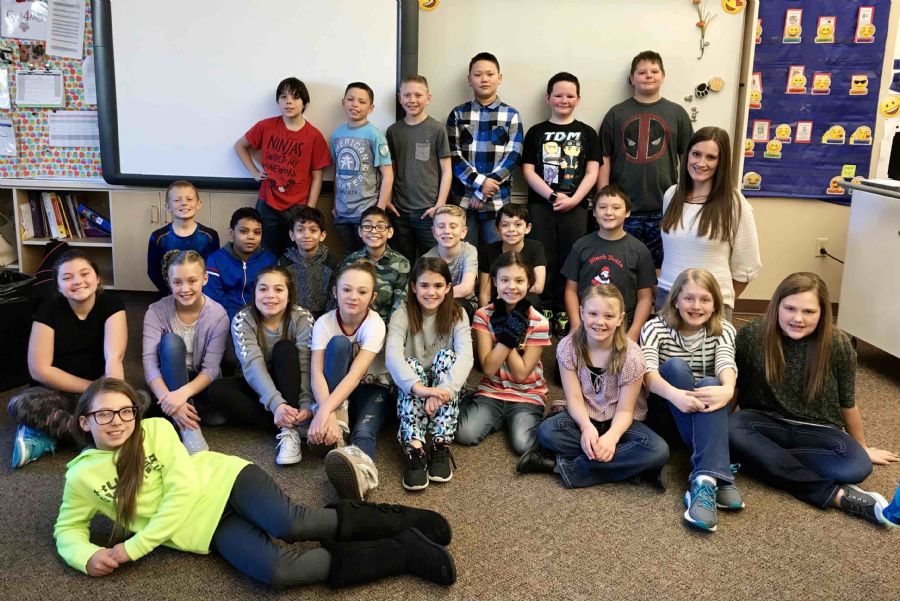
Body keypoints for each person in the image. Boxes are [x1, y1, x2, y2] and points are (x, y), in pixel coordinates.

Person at [54, 376, 456, 587]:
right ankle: (402, 552)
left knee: (291, 524)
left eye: (125, 411)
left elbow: (184, 490)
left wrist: (131, 549)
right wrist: (84, 556)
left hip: (224, 481)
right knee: (276, 572)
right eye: (104, 415)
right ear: (84, 422)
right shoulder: (81, 477)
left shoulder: (155, 430)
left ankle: (402, 519)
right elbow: (67, 529)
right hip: (206, 528)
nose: (118, 422)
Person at [729, 273, 899, 525]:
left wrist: (862, 447)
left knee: (857, 467)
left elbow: (847, 402)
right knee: (730, 428)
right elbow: (737, 387)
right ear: (776, 306)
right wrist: (718, 434)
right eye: (790, 308)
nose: (798, 318)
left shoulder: (838, 344)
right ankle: (836, 496)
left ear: (822, 313)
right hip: (763, 423)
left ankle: (761, 458)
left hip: (818, 432)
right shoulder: (752, 335)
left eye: (808, 311)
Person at [517, 285, 669, 489]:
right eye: (593, 314)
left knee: (658, 450)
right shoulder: (568, 347)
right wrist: (586, 427)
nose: (600, 322)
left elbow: (625, 411)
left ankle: (559, 466)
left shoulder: (632, 356)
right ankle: (632, 470)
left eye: (609, 316)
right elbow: (574, 398)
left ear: (620, 319)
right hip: (584, 416)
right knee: (547, 432)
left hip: (621, 423)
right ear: (581, 312)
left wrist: (612, 437)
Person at [640, 268, 741, 532]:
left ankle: (704, 481)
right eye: (689, 298)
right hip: (668, 410)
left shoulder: (725, 329)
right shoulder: (654, 327)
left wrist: (728, 389)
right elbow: (648, 375)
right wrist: (676, 395)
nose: (696, 306)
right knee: (674, 367)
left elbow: (726, 363)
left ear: (715, 304)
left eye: (705, 299)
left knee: (711, 383)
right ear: (675, 300)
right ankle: (720, 470)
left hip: (708, 410)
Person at [9, 250, 126, 468]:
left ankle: (52, 433)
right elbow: (40, 369)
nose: (77, 281)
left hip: (98, 392)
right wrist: (92, 388)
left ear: (97, 278)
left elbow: (114, 356)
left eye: (84, 274)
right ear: (59, 287)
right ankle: (99, 437)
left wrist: (113, 399)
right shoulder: (47, 310)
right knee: (21, 404)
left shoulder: (112, 305)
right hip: (55, 391)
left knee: (141, 400)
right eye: (67, 277)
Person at [205, 266, 315, 466]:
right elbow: (252, 366)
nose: (270, 295)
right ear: (254, 293)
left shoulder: (302, 318)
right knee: (214, 390)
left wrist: (306, 402)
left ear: (289, 294)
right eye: (263, 289)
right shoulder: (242, 319)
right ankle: (288, 421)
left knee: (284, 349)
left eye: (278, 289)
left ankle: (288, 430)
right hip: (257, 385)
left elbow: (306, 365)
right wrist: (277, 405)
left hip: (290, 382)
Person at [597, 50, 693, 268]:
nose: (648, 75)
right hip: (624, 209)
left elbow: (688, 157)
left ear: (663, 76)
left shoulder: (677, 113)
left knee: (661, 268)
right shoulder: (616, 113)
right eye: (641, 72)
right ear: (631, 79)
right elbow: (604, 157)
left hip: (665, 207)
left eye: (654, 71)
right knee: (622, 266)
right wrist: (604, 197)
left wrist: (686, 196)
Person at [386, 257, 474, 490]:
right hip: (414, 386)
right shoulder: (402, 313)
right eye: (424, 285)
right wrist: (422, 390)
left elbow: (466, 357)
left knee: (448, 357)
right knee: (410, 364)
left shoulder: (458, 313)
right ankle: (414, 447)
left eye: (438, 286)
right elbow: (392, 357)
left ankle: (439, 443)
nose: (431, 292)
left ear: (448, 288)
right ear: (414, 287)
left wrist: (443, 390)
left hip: (444, 385)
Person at [308, 260, 392, 501]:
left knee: (363, 432)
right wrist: (327, 414)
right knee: (339, 344)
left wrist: (322, 412)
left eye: (362, 292)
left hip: (373, 388)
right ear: (335, 291)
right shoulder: (324, 323)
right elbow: (316, 374)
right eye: (346, 289)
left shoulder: (375, 324)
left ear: (372, 297)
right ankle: (336, 429)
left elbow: (356, 375)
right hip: (337, 393)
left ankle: (361, 477)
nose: (353, 297)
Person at [658, 126, 761, 320]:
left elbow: (747, 266)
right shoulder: (671, 195)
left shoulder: (734, 203)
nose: (701, 163)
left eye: (711, 157)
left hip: (710, 305)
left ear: (721, 162)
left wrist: (717, 300)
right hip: (668, 298)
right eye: (696, 154)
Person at [455, 252, 551, 458]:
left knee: (523, 445)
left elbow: (521, 374)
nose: (511, 286)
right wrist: (509, 335)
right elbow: (489, 369)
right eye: (505, 280)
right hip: (493, 390)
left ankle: (510, 419)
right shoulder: (483, 315)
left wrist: (505, 334)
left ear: (529, 283)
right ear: (495, 282)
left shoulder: (539, 322)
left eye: (519, 281)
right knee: (464, 433)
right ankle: (497, 415)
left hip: (527, 394)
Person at [521, 72, 601, 312]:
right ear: (548, 98)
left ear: (578, 99)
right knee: (543, 258)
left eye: (569, 96)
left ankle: (567, 309)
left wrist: (574, 200)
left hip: (576, 208)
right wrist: (553, 196)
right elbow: (528, 171)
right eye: (558, 95)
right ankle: (544, 307)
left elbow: (592, 172)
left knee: (571, 259)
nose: (563, 100)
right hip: (541, 206)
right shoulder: (536, 132)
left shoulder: (588, 133)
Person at [142, 251, 229, 455]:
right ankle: (189, 428)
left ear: (204, 279)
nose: (185, 289)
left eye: (192, 281)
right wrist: (170, 398)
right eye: (177, 282)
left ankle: (172, 412)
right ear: (169, 282)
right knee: (171, 342)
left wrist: (180, 395)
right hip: (166, 379)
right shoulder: (155, 311)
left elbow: (210, 369)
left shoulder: (218, 315)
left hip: (198, 382)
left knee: (219, 416)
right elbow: (149, 364)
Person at [234, 77, 332, 256]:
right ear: (278, 101)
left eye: (295, 97)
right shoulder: (266, 126)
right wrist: (254, 172)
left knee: (296, 254)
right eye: (283, 97)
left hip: (298, 205)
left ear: (305, 103)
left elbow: (317, 175)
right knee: (265, 252)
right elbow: (240, 146)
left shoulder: (314, 136)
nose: (289, 102)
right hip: (267, 200)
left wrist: (310, 208)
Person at [446, 51, 523, 246]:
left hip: (497, 202)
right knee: (464, 254)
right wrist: (480, 183)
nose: (484, 79)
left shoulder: (511, 115)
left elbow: (513, 157)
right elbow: (453, 155)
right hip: (464, 201)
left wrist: (482, 193)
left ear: (499, 78)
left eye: (490, 74)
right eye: (478, 74)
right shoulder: (458, 114)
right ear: (469, 80)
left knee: (497, 255)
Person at [562, 184, 656, 341]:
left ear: (627, 212)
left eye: (616, 207)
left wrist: (633, 334)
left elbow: (645, 298)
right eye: (602, 207)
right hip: (587, 326)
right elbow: (571, 290)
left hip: (622, 330)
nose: (608, 212)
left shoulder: (639, 250)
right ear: (594, 212)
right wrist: (576, 325)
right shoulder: (581, 246)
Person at [386, 75, 452, 261]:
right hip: (399, 211)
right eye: (407, 95)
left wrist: (439, 206)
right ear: (399, 98)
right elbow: (390, 170)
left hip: (428, 211)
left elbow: (447, 171)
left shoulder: (437, 129)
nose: (412, 100)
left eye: (418, 95)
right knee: (402, 262)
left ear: (428, 98)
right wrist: (388, 200)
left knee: (431, 263)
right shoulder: (393, 131)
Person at [331, 82, 393, 256]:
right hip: (342, 212)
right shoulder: (336, 135)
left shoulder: (375, 135)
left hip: (366, 211)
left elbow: (388, 175)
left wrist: (379, 211)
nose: (355, 104)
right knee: (348, 255)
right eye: (350, 99)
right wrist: (335, 203)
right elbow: (337, 172)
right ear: (343, 102)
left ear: (371, 108)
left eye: (362, 101)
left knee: (369, 256)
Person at [336, 206, 410, 324]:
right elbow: (342, 301)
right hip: (354, 324)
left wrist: (389, 330)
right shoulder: (350, 262)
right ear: (360, 231)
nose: (374, 231)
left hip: (387, 325)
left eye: (380, 226)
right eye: (367, 226)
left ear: (390, 232)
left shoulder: (401, 263)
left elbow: (400, 304)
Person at [146, 180, 219, 295]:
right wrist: (169, 291)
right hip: (170, 294)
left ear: (198, 204)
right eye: (177, 200)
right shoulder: (158, 237)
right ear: (167, 206)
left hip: (201, 294)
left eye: (189, 199)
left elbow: (212, 269)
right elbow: (153, 271)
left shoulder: (209, 236)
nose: (184, 203)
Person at [204, 207, 276, 322]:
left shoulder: (269, 260)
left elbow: (271, 296)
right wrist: (238, 320)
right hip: (225, 320)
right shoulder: (216, 260)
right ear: (231, 233)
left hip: (261, 319)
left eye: (257, 232)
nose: (251, 237)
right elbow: (214, 300)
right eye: (244, 231)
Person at [477, 204, 546, 311]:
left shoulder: (535, 247)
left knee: (532, 300)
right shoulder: (489, 251)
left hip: (524, 299)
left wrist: (510, 294)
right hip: (497, 303)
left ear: (528, 228)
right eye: (505, 225)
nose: (511, 229)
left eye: (518, 224)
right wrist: (483, 315)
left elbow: (538, 287)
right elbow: (484, 293)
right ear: (497, 229)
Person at [277, 206, 337, 320]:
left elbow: (334, 298)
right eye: (300, 230)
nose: (306, 235)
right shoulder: (284, 262)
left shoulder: (331, 262)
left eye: (313, 230)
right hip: (292, 318)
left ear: (322, 235)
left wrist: (324, 321)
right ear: (292, 235)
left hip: (325, 319)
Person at [423, 205, 479, 320]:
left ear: (463, 232)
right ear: (434, 232)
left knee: (452, 307)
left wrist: (436, 295)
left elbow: (466, 288)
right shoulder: (427, 259)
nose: (447, 231)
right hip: (434, 303)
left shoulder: (469, 251)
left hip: (464, 302)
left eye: (453, 227)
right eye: (441, 226)